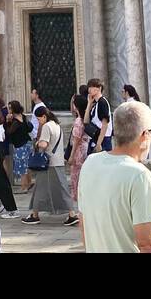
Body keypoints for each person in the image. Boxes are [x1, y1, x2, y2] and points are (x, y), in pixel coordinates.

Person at [78, 99, 151, 253]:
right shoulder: (138, 174)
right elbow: (146, 244)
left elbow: (83, 223)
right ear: (145, 135)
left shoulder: (90, 163)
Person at [23, 105, 72, 222]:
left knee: (54, 189)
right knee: (53, 188)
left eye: (39, 119)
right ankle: (35, 214)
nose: (39, 122)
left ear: (44, 117)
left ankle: (72, 214)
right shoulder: (57, 125)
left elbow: (44, 144)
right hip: (57, 161)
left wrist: (37, 143)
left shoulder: (46, 126)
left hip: (48, 163)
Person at [66, 93, 89, 225]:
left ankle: (82, 213)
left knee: (77, 180)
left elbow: (76, 140)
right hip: (85, 149)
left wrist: (71, 155)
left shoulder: (79, 121)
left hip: (79, 151)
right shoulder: (85, 119)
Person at [6, 100, 32, 193]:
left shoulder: (15, 121)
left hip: (20, 145)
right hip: (27, 142)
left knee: (22, 167)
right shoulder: (23, 117)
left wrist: (8, 122)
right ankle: (28, 183)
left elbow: (9, 132)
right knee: (27, 165)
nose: (8, 110)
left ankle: (23, 186)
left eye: (10, 108)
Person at [84, 78, 112, 155]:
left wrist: (99, 143)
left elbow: (105, 124)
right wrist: (89, 103)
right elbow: (86, 121)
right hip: (94, 137)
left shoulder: (102, 102)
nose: (90, 89)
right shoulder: (95, 103)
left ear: (99, 88)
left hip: (103, 139)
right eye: (89, 87)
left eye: (92, 87)